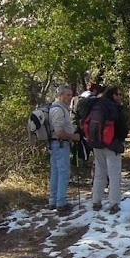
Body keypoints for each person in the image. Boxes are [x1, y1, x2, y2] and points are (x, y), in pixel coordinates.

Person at [89, 87, 130, 214]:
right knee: (114, 175)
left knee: (99, 173)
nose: (121, 97)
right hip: (111, 144)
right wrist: (120, 140)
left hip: (96, 144)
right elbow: (122, 127)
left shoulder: (96, 104)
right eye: (119, 94)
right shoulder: (114, 107)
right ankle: (114, 204)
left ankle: (96, 201)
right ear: (113, 95)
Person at [46, 85, 80, 215]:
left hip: (57, 145)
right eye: (67, 95)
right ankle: (61, 203)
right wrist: (73, 137)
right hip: (60, 144)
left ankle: (53, 201)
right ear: (60, 95)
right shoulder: (58, 110)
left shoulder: (59, 108)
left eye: (71, 95)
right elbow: (59, 131)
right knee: (63, 173)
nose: (70, 97)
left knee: (56, 172)